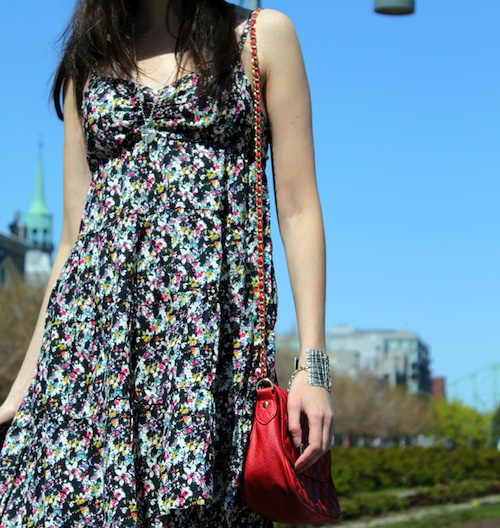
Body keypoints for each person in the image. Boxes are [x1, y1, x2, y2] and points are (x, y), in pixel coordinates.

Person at [0, 0, 334, 526]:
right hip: (92, 353)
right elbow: (71, 241)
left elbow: (298, 209)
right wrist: (23, 388)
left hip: (207, 352)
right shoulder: (91, 56)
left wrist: (313, 370)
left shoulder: (259, 36)